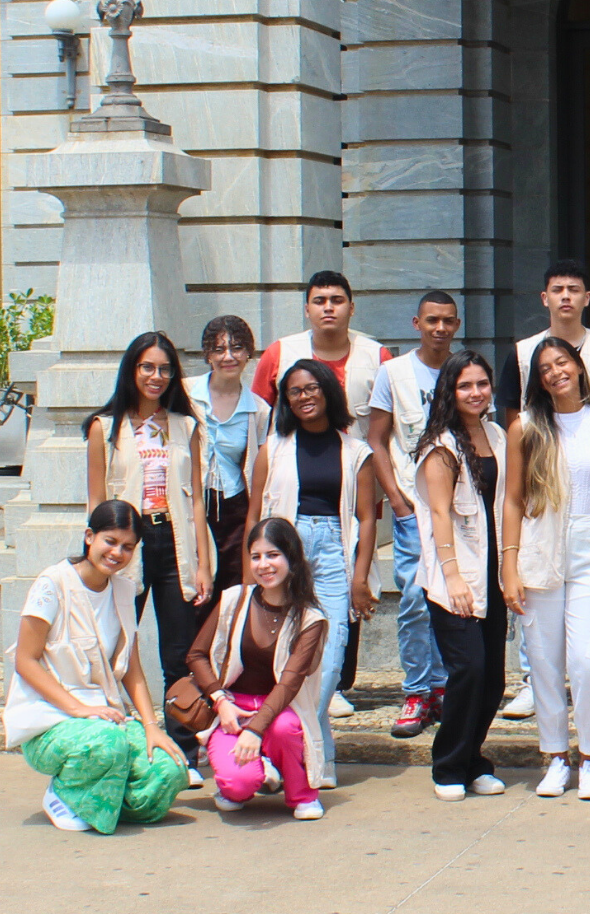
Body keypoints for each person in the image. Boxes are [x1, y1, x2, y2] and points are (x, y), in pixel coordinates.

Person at [5, 500, 188, 834]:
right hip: (51, 722)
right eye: (110, 541)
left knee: (169, 770)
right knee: (107, 743)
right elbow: (25, 661)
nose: (117, 553)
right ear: (90, 537)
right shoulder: (53, 584)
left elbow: (131, 668)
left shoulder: (124, 590)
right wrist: (79, 709)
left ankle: (99, 798)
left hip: (104, 720)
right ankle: (64, 794)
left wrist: (151, 726)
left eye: (128, 547)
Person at [502, 336, 590, 800]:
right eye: (545, 368)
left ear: (578, 365)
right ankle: (556, 756)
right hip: (540, 549)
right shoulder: (527, 427)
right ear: (538, 380)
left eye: (562, 362)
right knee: (545, 663)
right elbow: (512, 500)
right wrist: (509, 566)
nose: (555, 372)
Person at [247, 360, 379, 789]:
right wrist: (253, 572)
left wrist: (360, 578)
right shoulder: (273, 448)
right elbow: (255, 512)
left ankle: (276, 744)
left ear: (327, 390)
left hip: (335, 553)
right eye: (294, 391)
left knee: (330, 658)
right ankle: (320, 760)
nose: (304, 397)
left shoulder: (355, 451)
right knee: (285, 655)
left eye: (311, 388)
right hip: (285, 551)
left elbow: (367, 518)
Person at [84, 331, 212, 772]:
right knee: (115, 647)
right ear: (132, 370)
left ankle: (183, 754)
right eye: (148, 367)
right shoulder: (104, 428)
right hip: (125, 549)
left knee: (179, 653)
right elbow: (96, 501)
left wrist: (203, 564)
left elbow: (196, 499)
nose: (156, 376)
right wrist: (97, 559)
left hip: (174, 543)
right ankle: (116, 745)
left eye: (165, 369)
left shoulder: (184, 425)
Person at [413, 350, 510, 801]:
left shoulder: (496, 434)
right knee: (468, 669)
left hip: (493, 571)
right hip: (454, 573)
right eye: (465, 386)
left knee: (493, 678)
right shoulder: (441, 445)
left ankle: (473, 761)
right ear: (449, 392)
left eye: (482, 384)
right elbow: (439, 514)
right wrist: (452, 577)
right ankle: (448, 766)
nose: (475, 393)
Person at [186, 517, 329, 820]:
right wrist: (221, 702)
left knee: (284, 728)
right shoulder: (233, 599)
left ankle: (302, 794)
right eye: (256, 556)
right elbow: (196, 655)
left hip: (280, 709)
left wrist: (255, 730)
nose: (264, 565)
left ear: (291, 557)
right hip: (232, 708)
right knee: (236, 790)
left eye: (273, 555)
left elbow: (289, 683)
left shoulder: (310, 618)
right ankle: (256, 771)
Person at [367, 290, 462, 738]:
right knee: (413, 601)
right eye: (431, 320)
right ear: (416, 323)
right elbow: (376, 439)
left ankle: (443, 688)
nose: (439, 328)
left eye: (447, 320)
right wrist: (397, 500)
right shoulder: (394, 372)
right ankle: (417, 690)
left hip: (458, 508)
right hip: (411, 507)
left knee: (452, 600)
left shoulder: (464, 369)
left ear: (457, 325)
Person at [185, 316, 270, 597]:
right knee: (191, 587)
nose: (228, 357)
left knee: (230, 589)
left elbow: (259, 467)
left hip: (233, 508)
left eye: (237, 348)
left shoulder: (259, 410)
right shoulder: (185, 393)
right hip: (189, 502)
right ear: (208, 354)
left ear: (248, 353)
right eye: (219, 349)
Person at [250, 270, 392, 439]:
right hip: (291, 453)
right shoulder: (279, 353)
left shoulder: (377, 357)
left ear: (351, 308)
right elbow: (256, 419)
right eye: (319, 301)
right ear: (307, 310)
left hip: (357, 454)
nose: (328, 308)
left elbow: (392, 424)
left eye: (337, 301)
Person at [497, 259, 590, 428]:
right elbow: (513, 418)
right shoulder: (521, 354)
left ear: (587, 298)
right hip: (541, 444)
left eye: (573, 290)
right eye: (557, 290)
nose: (565, 296)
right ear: (545, 298)